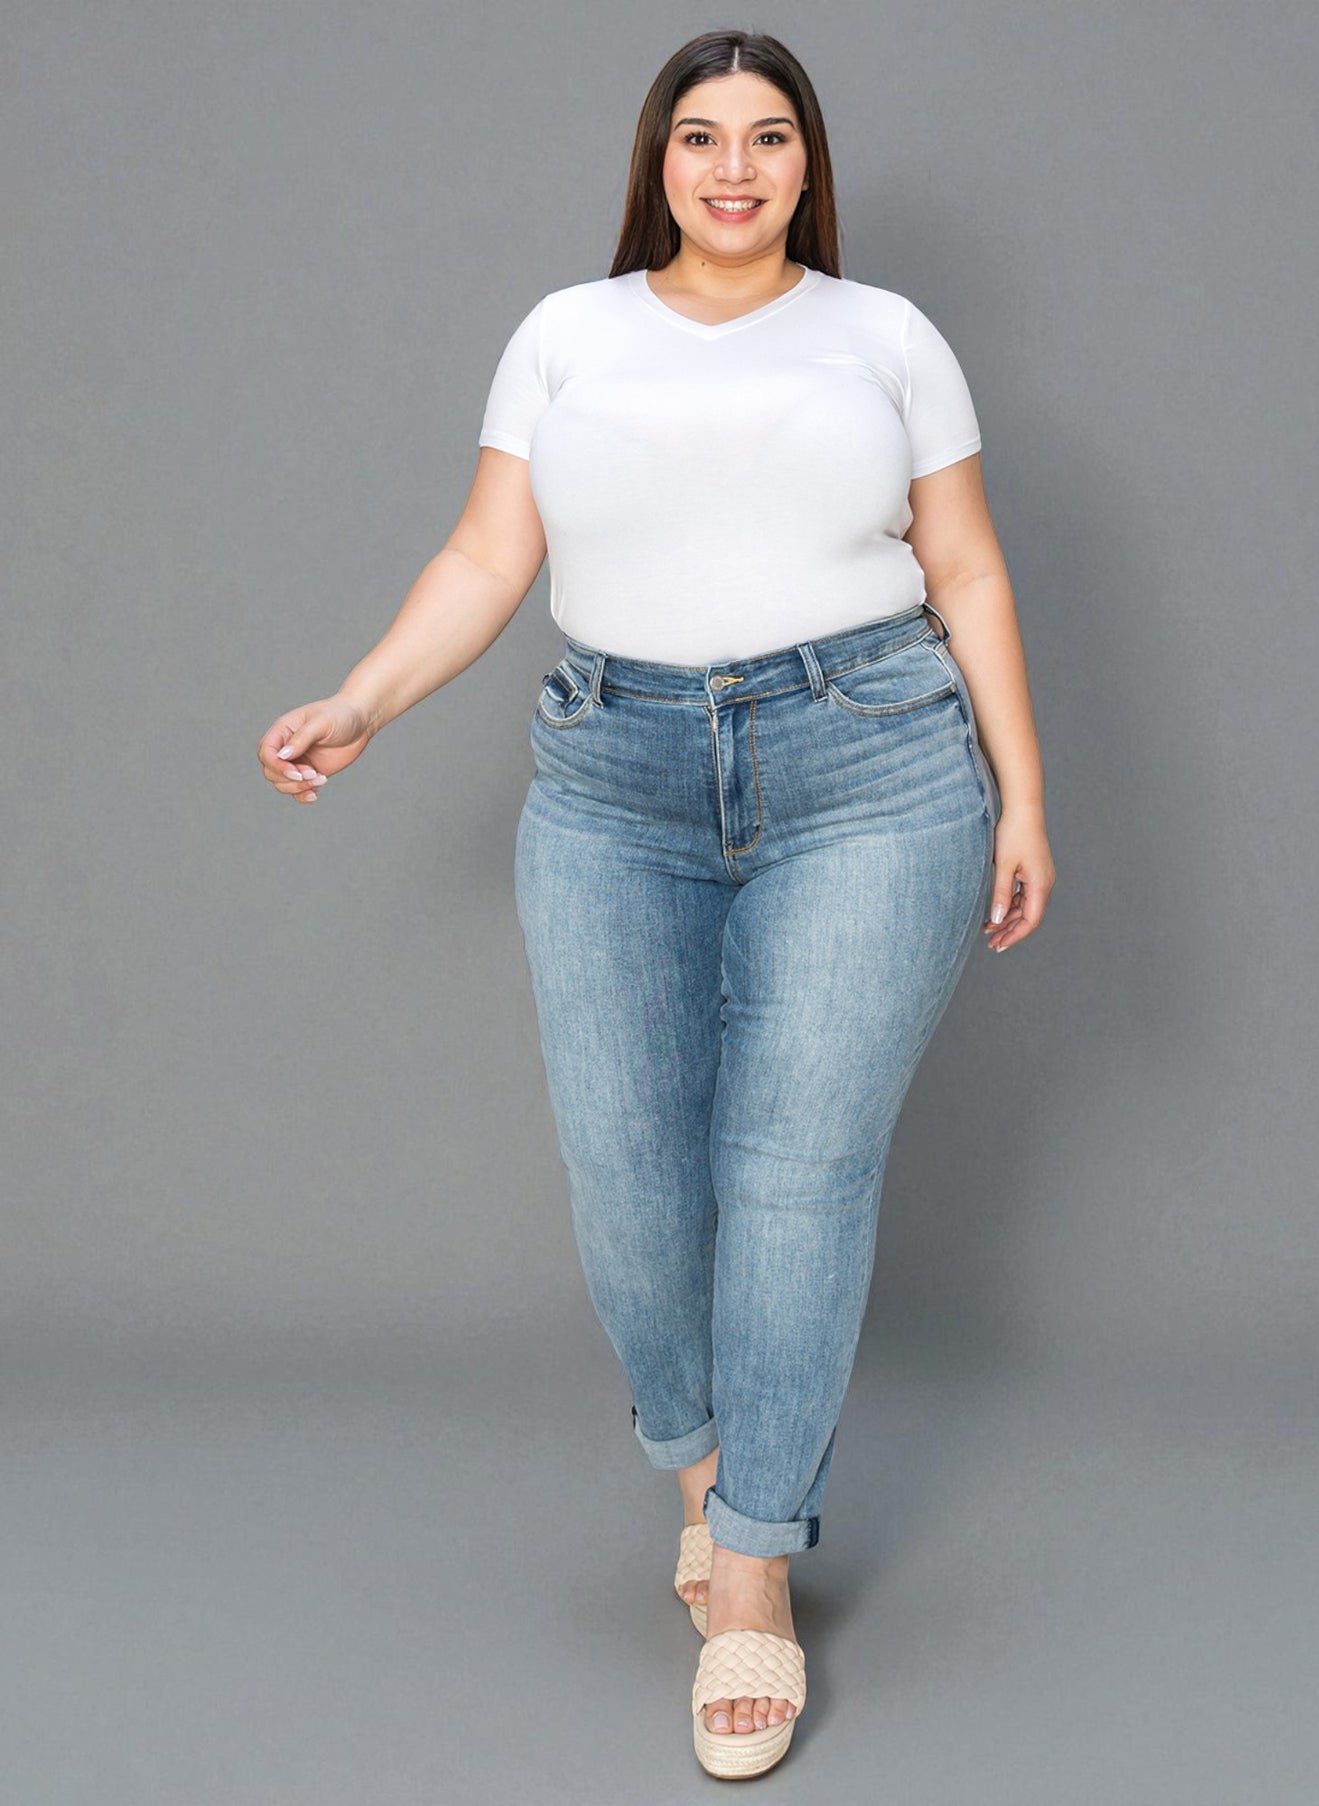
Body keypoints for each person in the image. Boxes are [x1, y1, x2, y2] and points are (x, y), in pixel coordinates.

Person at [257, 27, 1055, 1781]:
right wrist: (364, 699)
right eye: (701, 138)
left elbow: (967, 562)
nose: (735, 169)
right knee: (625, 1159)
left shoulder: (884, 335)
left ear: (803, 163)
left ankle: (753, 1571)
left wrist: (1024, 791)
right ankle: (704, 1463)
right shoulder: (568, 333)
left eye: (769, 138)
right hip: (612, 774)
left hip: (872, 762)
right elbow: (486, 555)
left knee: (794, 1168)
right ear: (659, 161)